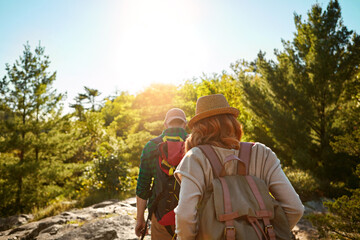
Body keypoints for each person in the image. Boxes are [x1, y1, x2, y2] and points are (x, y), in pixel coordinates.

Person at [174, 94, 304, 239]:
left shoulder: (195, 158)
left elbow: (185, 216)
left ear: (199, 128)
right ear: (232, 122)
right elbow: (295, 208)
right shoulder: (262, 153)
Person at [135, 108, 188, 240]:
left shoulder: (151, 146)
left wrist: (140, 219)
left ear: (165, 124)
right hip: (190, 216)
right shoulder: (194, 144)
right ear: (185, 124)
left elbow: (143, 187)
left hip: (160, 215)